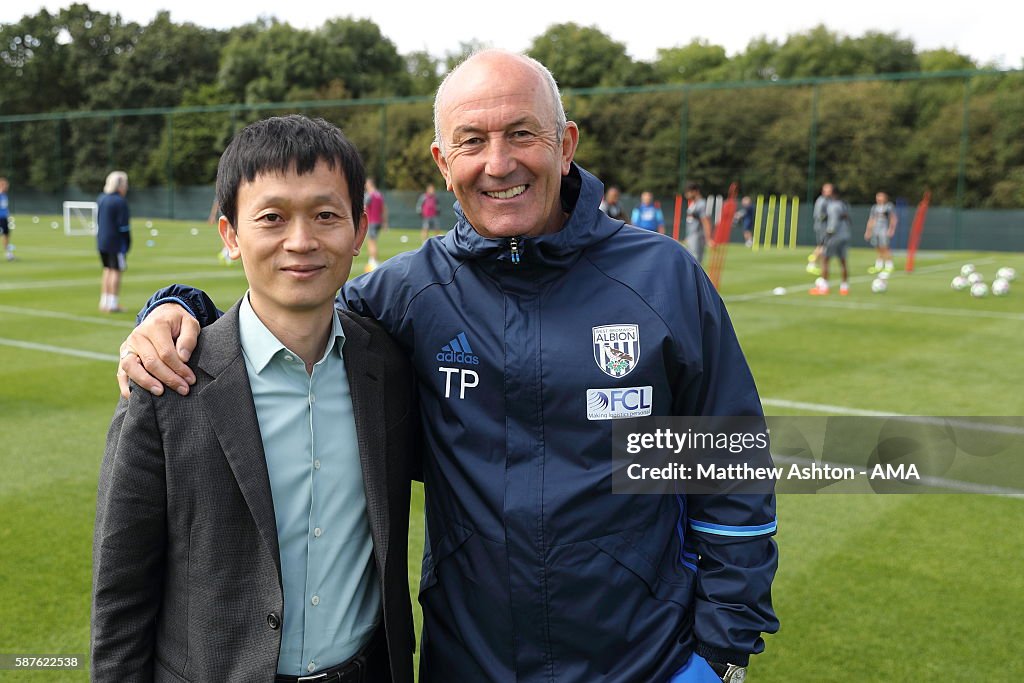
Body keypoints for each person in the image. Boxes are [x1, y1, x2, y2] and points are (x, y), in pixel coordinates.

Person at [118, 50, 778, 683]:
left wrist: (718, 654)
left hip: (644, 665)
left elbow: (731, 474)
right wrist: (178, 308)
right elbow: (289, 311)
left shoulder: (663, 280)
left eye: (522, 133)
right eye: (472, 140)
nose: (499, 163)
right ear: (442, 160)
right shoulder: (406, 294)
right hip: (468, 665)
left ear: (566, 143)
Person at [92, 115, 418, 682]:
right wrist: (170, 305)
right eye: (271, 217)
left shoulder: (388, 368)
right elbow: (120, 599)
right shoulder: (166, 384)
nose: (301, 241)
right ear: (230, 234)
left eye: (325, 215)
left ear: (359, 230)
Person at [96, 171, 131, 312]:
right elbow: (123, 227)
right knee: (116, 271)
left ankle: (104, 302)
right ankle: (112, 304)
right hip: (115, 242)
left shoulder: (102, 198)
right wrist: (127, 243)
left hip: (102, 241)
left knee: (107, 270)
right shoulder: (120, 201)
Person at [810, 185, 851, 296]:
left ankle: (824, 287)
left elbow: (833, 223)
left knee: (825, 260)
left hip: (834, 237)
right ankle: (844, 287)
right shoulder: (843, 204)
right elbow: (847, 219)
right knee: (843, 261)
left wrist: (827, 235)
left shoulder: (832, 206)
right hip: (844, 235)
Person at [865, 191, 897, 273]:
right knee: (878, 248)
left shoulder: (889, 207)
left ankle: (889, 265)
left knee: (885, 247)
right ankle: (878, 265)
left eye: (880, 196)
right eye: (877, 196)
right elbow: (871, 220)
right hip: (875, 230)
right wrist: (868, 231)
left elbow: (893, 218)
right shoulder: (874, 208)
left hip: (884, 229)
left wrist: (891, 229)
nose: (878, 198)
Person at [684, 181, 713, 263]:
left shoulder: (701, 204)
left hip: (698, 236)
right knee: (689, 260)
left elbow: (706, 221)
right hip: (691, 236)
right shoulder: (693, 203)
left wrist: (708, 238)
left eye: (688, 192)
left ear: (695, 191)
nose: (686, 194)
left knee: (696, 261)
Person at [808, 182, 833, 275]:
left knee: (822, 246)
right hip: (822, 227)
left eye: (830, 190)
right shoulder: (821, 201)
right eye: (827, 190)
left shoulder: (829, 200)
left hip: (826, 227)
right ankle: (812, 263)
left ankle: (813, 262)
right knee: (823, 246)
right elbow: (819, 215)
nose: (828, 192)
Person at [363, 176, 387, 271]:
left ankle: (373, 262)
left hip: (371, 221)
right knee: (374, 241)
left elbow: (364, 208)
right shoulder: (379, 195)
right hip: (379, 221)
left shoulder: (370, 195)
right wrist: (385, 222)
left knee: (371, 242)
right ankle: (373, 261)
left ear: (369, 184)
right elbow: (384, 209)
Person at [0, 177, 12, 261]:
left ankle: (8, 254)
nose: (7, 187)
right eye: (5, 185)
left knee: (6, 235)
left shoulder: (4, 195)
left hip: (4, 218)